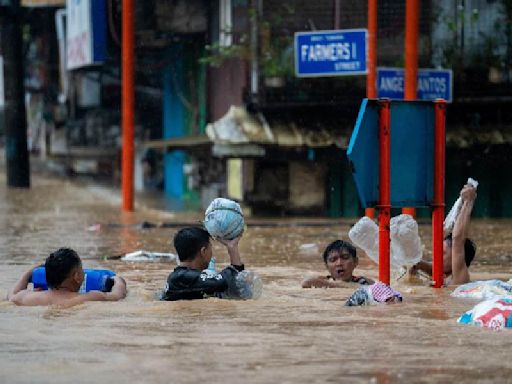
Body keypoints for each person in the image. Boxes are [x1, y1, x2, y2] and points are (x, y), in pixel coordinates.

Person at [6, 248, 127, 306]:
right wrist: (118, 280)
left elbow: (11, 296)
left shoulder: (27, 297)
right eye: (81, 270)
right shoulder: (87, 297)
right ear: (77, 277)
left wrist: (27, 274)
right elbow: (117, 296)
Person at [410, 183, 477, 285]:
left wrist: (468, 201)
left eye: (443, 253)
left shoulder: (458, 278)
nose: (437, 258)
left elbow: (458, 240)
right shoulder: (444, 274)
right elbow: (433, 267)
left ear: (456, 258)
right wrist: (414, 263)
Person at [161, 227, 245, 301]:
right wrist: (232, 248)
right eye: (210, 249)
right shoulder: (182, 277)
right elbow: (222, 282)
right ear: (203, 251)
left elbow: (234, 280)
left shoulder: (184, 276)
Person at [302, 240, 374, 288]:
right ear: (327, 266)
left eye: (345, 258)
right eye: (333, 260)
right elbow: (306, 283)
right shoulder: (323, 281)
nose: (339, 263)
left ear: (355, 262)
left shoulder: (365, 282)